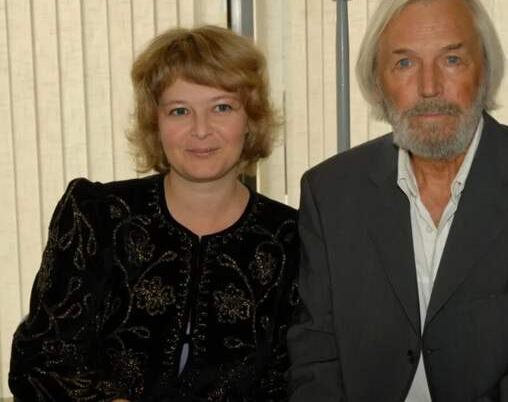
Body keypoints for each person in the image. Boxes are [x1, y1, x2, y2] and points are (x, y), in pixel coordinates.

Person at [287, 0, 508, 401]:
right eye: (405, 62)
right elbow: (315, 361)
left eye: (452, 59)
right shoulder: (330, 192)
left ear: (485, 69)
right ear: (377, 81)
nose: (429, 87)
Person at [9, 25, 298, 402]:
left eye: (222, 107)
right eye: (179, 111)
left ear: (252, 119)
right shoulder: (97, 216)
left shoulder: (292, 237)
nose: (200, 130)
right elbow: (40, 361)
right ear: (154, 122)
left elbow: (299, 377)